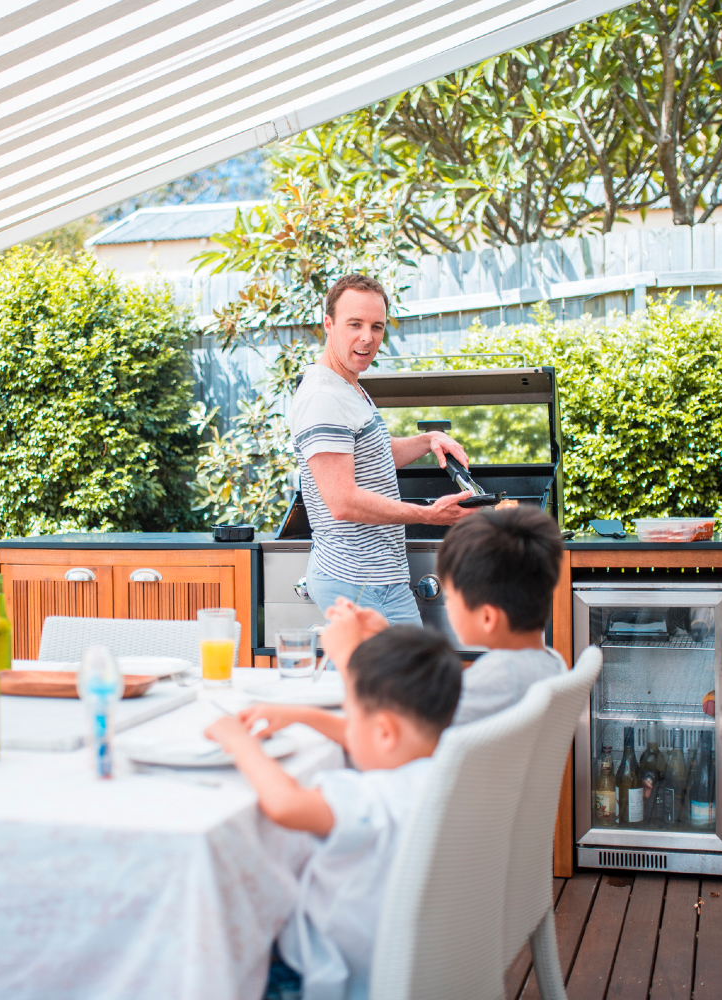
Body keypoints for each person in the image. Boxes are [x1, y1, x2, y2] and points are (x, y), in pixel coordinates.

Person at [204, 627, 461, 1000]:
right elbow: (378, 738)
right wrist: (303, 715)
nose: (347, 727)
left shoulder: (371, 797)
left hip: (328, 972)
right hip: (416, 961)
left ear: (385, 732)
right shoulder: (451, 773)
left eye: (350, 716)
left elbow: (286, 805)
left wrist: (239, 743)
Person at [242, 505, 566, 740]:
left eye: (450, 600)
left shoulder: (494, 680)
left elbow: (379, 743)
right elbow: (421, 704)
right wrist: (385, 638)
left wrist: (349, 660)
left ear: (487, 617)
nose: (448, 607)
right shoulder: (547, 665)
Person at [291, 273, 473, 625]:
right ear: (328, 324)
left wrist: (426, 440)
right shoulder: (323, 397)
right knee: (405, 680)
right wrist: (427, 514)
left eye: (377, 326)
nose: (367, 337)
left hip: (377, 578)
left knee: (388, 680)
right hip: (356, 582)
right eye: (354, 324)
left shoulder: (348, 386)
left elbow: (371, 454)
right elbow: (342, 502)